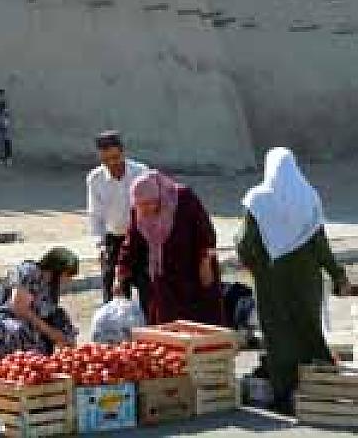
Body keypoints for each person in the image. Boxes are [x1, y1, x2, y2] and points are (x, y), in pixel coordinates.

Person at [235, 147, 351, 414]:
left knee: (278, 335)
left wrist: (256, 267)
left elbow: (245, 244)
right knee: (308, 330)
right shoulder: (308, 196)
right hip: (306, 281)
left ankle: (285, 393)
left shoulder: (258, 200)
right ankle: (321, 385)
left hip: (271, 282)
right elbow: (321, 244)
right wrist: (337, 275)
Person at [113, 169, 224, 326]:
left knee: (202, 322)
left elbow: (206, 233)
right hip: (164, 276)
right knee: (169, 324)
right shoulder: (138, 210)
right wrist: (120, 276)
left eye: (148, 203)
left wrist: (205, 263)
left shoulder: (183, 199)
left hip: (195, 270)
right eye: (140, 205)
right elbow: (131, 244)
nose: (144, 209)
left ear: (158, 196)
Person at [0, 247, 79, 362]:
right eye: (67, 275)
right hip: (2, 323)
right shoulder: (29, 271)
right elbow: (19, 308)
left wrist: (63, 335)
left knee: (64, 327)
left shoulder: (51, 286)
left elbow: (49, 312)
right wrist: (51, 332)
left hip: (30, 324)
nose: (68, 280)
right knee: (18, 332)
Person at [86, 131, 148, 302]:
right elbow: (95, 214)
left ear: (123, 152)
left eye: (115, 157)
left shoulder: (141, 172)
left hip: (140, 239)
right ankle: (117, 327)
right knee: (112, 291)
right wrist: (100, 245)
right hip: (113, 240)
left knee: (146, 287)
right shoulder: (95, 179)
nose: (112, 163)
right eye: (106, 160)